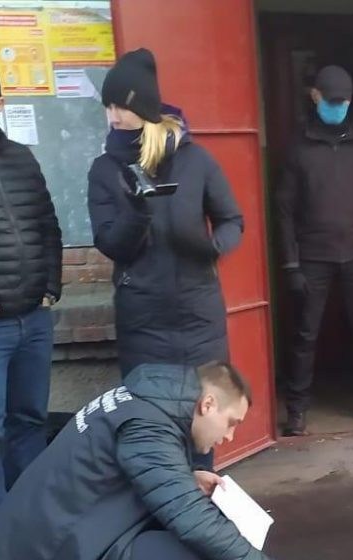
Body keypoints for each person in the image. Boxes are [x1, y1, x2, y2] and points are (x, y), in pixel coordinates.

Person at [0, 362, 297, 560]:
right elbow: (193, 519)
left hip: (62, 520)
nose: (229, 436)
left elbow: (130, 463)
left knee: (194, 520)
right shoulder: (149, 427)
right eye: (231, 423)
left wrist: (187, 477)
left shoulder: (148, 399)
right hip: (59, 539)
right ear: (208, 404)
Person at [87, 49, 243, 383]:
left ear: (143, 107)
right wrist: (137, 214)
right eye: (108, 107)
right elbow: (110, 243)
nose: (113, 117)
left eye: (121, 107)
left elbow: (232, 220)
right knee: (151, 410)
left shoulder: (196, 160)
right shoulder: (105, 169)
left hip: (199, 315)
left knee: (205, 406)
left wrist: (213, 247)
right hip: (143, 320)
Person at [0, 54, 62, 532]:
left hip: (33, 318)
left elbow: (48, 225)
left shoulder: (22, 158)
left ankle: (28, 520)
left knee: (30, 420)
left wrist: (50, 288)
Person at [275, 64, 353, 435]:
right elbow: (284, 210)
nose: (337, 107)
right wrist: (291, 264)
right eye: (331, 101)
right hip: (313, 256)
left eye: (343, 102)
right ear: (315, 97)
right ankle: (297, 409)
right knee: (306, 335)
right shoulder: (299, 148)